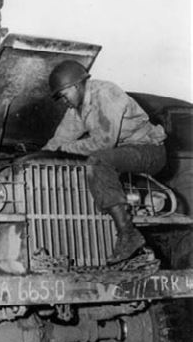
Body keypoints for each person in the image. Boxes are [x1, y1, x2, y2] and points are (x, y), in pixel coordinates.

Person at [43, 60, 167, 264]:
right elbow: (58, 140)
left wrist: (65, 149)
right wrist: (36, 157)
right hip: (125, 152)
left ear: (75, 86)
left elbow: (104, 141)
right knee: (97, 163)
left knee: (98, 162)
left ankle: (128, 236)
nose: (64, 101)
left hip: (149, 150)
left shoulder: (106, 93)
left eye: (64, 95)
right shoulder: (77, 109)